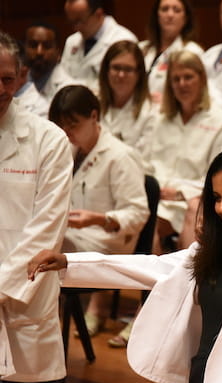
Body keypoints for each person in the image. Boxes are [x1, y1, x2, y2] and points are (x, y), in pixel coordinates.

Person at [28, 144, 222, 383]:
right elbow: (145, 267)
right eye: (217, 197)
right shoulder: (210, 251)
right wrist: (69, 262)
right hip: (202, 382)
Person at [0, 31, 72, 383]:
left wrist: (0, 285)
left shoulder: (50, 140)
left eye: (6, 79)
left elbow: (47, 228)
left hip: (25, 302)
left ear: (21, 76)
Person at [48, 85, 149, 339]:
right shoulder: (68, 150)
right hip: (73, 235)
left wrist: (100, 219)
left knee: (39, 252)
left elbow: (138, 213)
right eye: (62, 126)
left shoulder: (120, 156)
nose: (67, 132)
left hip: (107, 242)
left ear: (94, 116)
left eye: (73, 125)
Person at [150, 50, 222, 254]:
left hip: (191, 200)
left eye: (188, 77)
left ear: (202, 79)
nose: (182, 84)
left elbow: (219, 177)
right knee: (141, 217)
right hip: (156, 197)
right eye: (176, 79)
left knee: (151, 224)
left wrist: (179, 193)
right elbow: (146, 163)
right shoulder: (161, 118)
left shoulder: (219, 120)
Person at [99, 40, 156, 167]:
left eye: (128, 69)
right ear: (106, 70)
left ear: (139, 74)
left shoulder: (150, 113)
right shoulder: (93, 105)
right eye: (116, 67)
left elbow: (143, 162)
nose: (121, 75)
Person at [61, 0, 137, 91]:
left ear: (98, 14)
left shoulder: (124, 40)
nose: (76, 28)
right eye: (72, 22)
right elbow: (63, 77)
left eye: (80, 21)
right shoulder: (71, 41)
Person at [139, 0, 204, 104]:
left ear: (185, 18)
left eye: (176, 10)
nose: (170, 15)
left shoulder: (192, 51)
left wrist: (166, 102)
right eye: (164, 9)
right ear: (157, 15)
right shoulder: (141, 48)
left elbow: (198, 94)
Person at [24, 22, 78, 106]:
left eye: (47, 46)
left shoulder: (71, 89)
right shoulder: (13, 83)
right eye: (33, 45)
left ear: (58, 51)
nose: (39, 52)